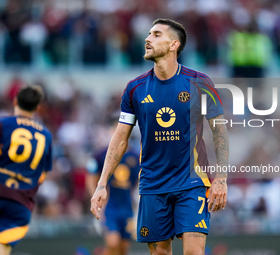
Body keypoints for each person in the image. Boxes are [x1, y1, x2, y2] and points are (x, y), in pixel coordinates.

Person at [91, 18, 229, 255]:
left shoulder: (200, 82)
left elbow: (219, 131)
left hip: (192, 182)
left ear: (174, 44)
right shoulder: (135, 88)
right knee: (160, 253)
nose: (147, 38)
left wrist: (221, 178)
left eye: (156, 34)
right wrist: (102, 184)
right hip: (153, 185)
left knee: (193, 253)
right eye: (148, 34)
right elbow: (120, 138)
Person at [0, 85, 53, 255]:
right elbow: (42, 175)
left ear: (15, 100)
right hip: (20, 203)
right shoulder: (46, 135)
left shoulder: (3, 124)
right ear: (38, 107)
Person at [86, 118, 139, 255]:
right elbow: (91, 177)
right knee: (113, 242)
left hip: (127, 206)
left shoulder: (135, 156)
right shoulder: (101, 154)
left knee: (123, 247)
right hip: (110, 206)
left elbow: (138, 181)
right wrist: (96, 198)